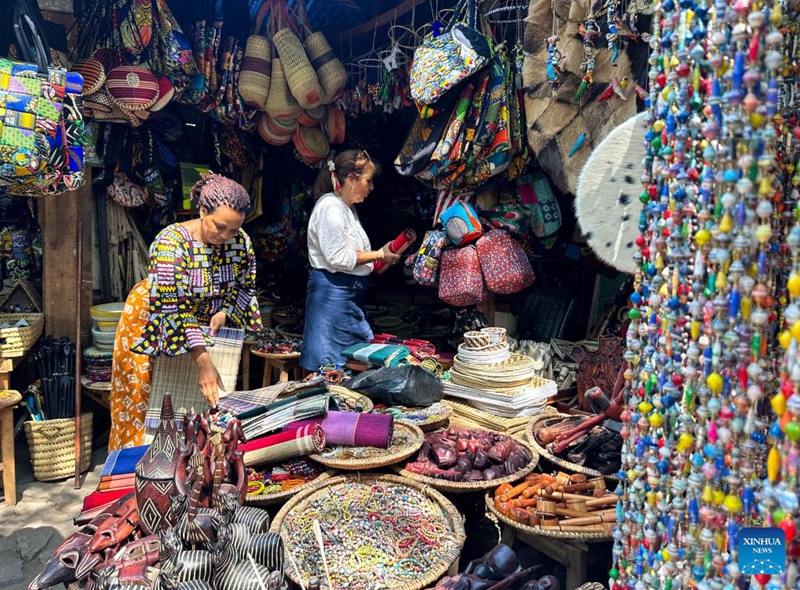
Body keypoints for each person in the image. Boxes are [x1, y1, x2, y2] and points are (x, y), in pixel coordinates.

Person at [109, 173, 262, 450]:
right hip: (151, 320)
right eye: (220, 227)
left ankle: (190, 469)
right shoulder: (171, 243)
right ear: (202, 211)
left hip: (200, 328)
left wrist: (225, 311)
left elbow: (244, 285)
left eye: (233, 229)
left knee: (196, 406)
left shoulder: (239, 242)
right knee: (142, 403)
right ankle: (132, 471)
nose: (226, 236)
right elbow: (174, 307)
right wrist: (203, 361)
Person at [300, 150, 401, 371]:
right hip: (333, 299)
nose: (371, 187)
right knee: (332, 369)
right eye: (368, 180)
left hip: (347, 299)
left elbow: (355, 259)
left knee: (354, 363)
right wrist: (378, 255)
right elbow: (338, 258)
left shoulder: (347, 209)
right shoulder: (330, 206)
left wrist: (381, 259)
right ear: (351, 180)